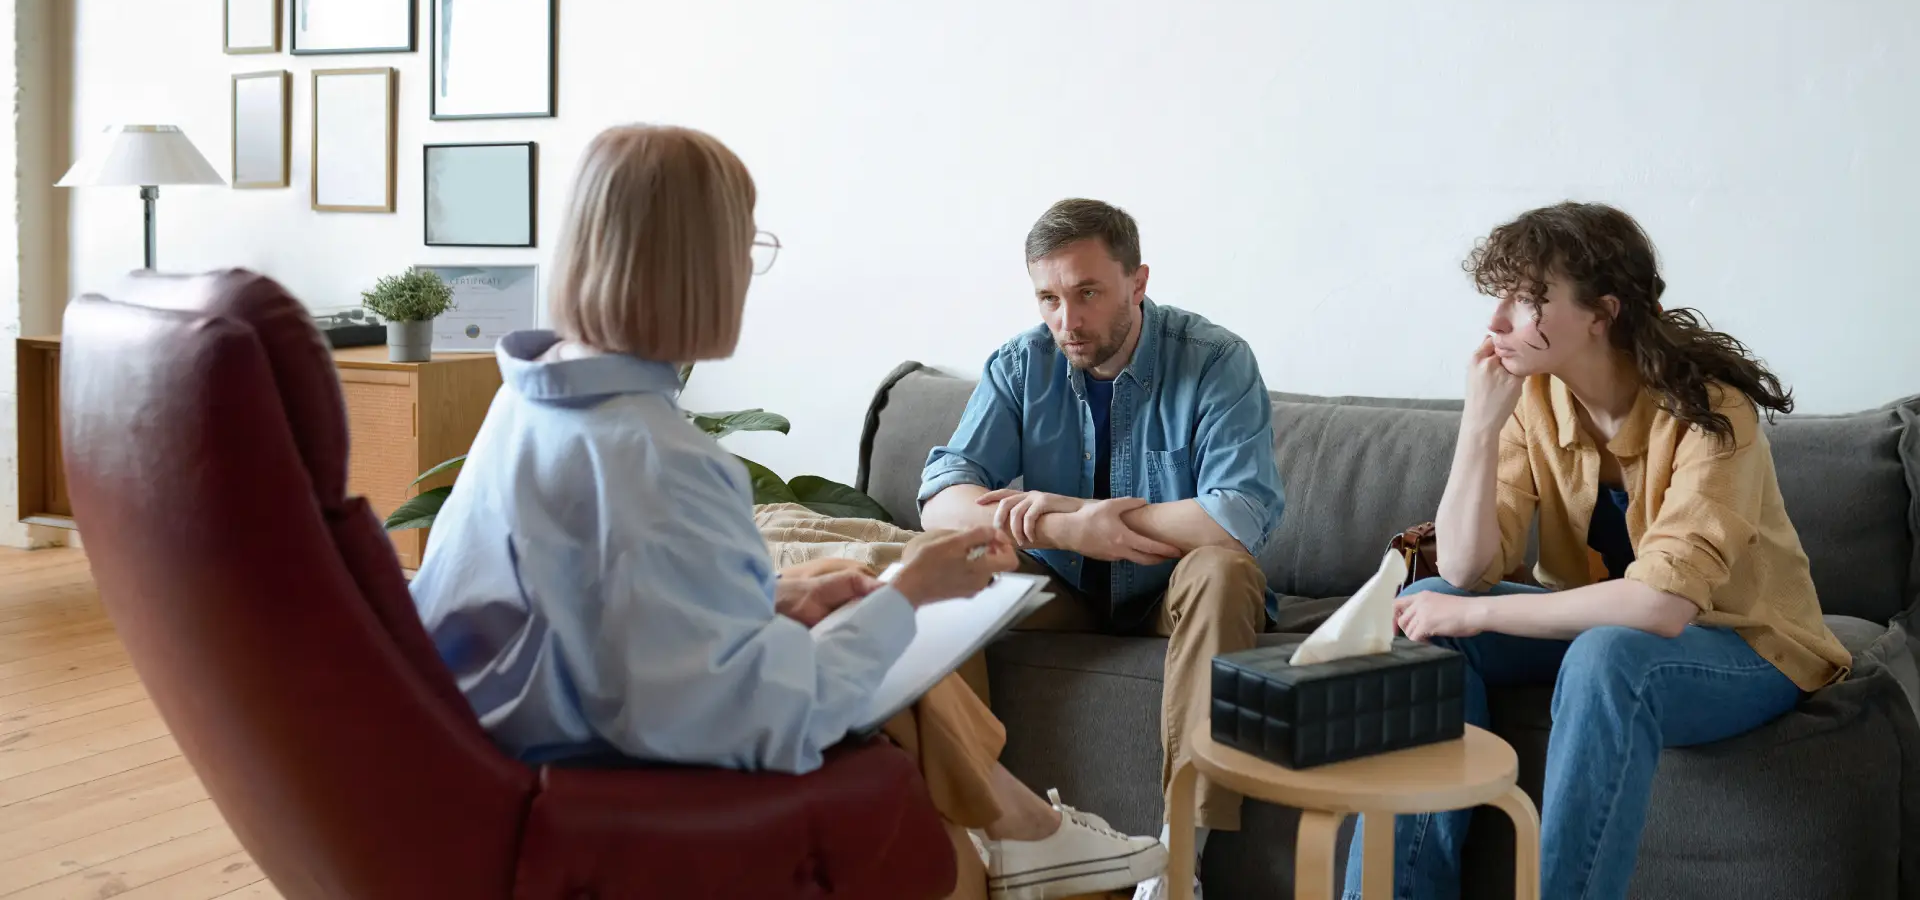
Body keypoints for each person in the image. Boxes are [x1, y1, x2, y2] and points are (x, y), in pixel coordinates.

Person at [409, 126, 1167, 900]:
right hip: (602, 778)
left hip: (499, 746)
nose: (746, 269)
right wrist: (909, 597)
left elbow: (588, 604)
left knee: (842, 585)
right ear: (696, 262)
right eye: (744, 244)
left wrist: (769, 600)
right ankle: (1025, 842)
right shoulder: (663, 456)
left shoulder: (526, 401)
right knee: (897, 695)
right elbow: (769, 719)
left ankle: (1025, 837)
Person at [1342, 203, 1851, 900]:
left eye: (1527, 301)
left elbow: (1662, 606)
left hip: (1745, 646)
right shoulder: (1534, 400)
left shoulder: (1715, 411)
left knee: (1608, 656)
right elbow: (1462, 570)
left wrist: (1481, 618)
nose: (1496, 324)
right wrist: (1478, 428)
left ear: (1601, 314)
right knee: (1420, 608)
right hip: (1596, 627)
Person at [918, 198, 1286, 900]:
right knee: (946, 566)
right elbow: (942, 499)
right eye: (1050, 298)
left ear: (1137, 283)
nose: (1067, 321)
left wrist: (1086, 513)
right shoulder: (1021, 364)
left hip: (1169, 594)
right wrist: (1063, 529)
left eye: (1087, 293)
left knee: (1223, 570)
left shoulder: (1215, 360)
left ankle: (1183, 861)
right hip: (1061, 591)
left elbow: (1237, 514)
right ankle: (974, 831)